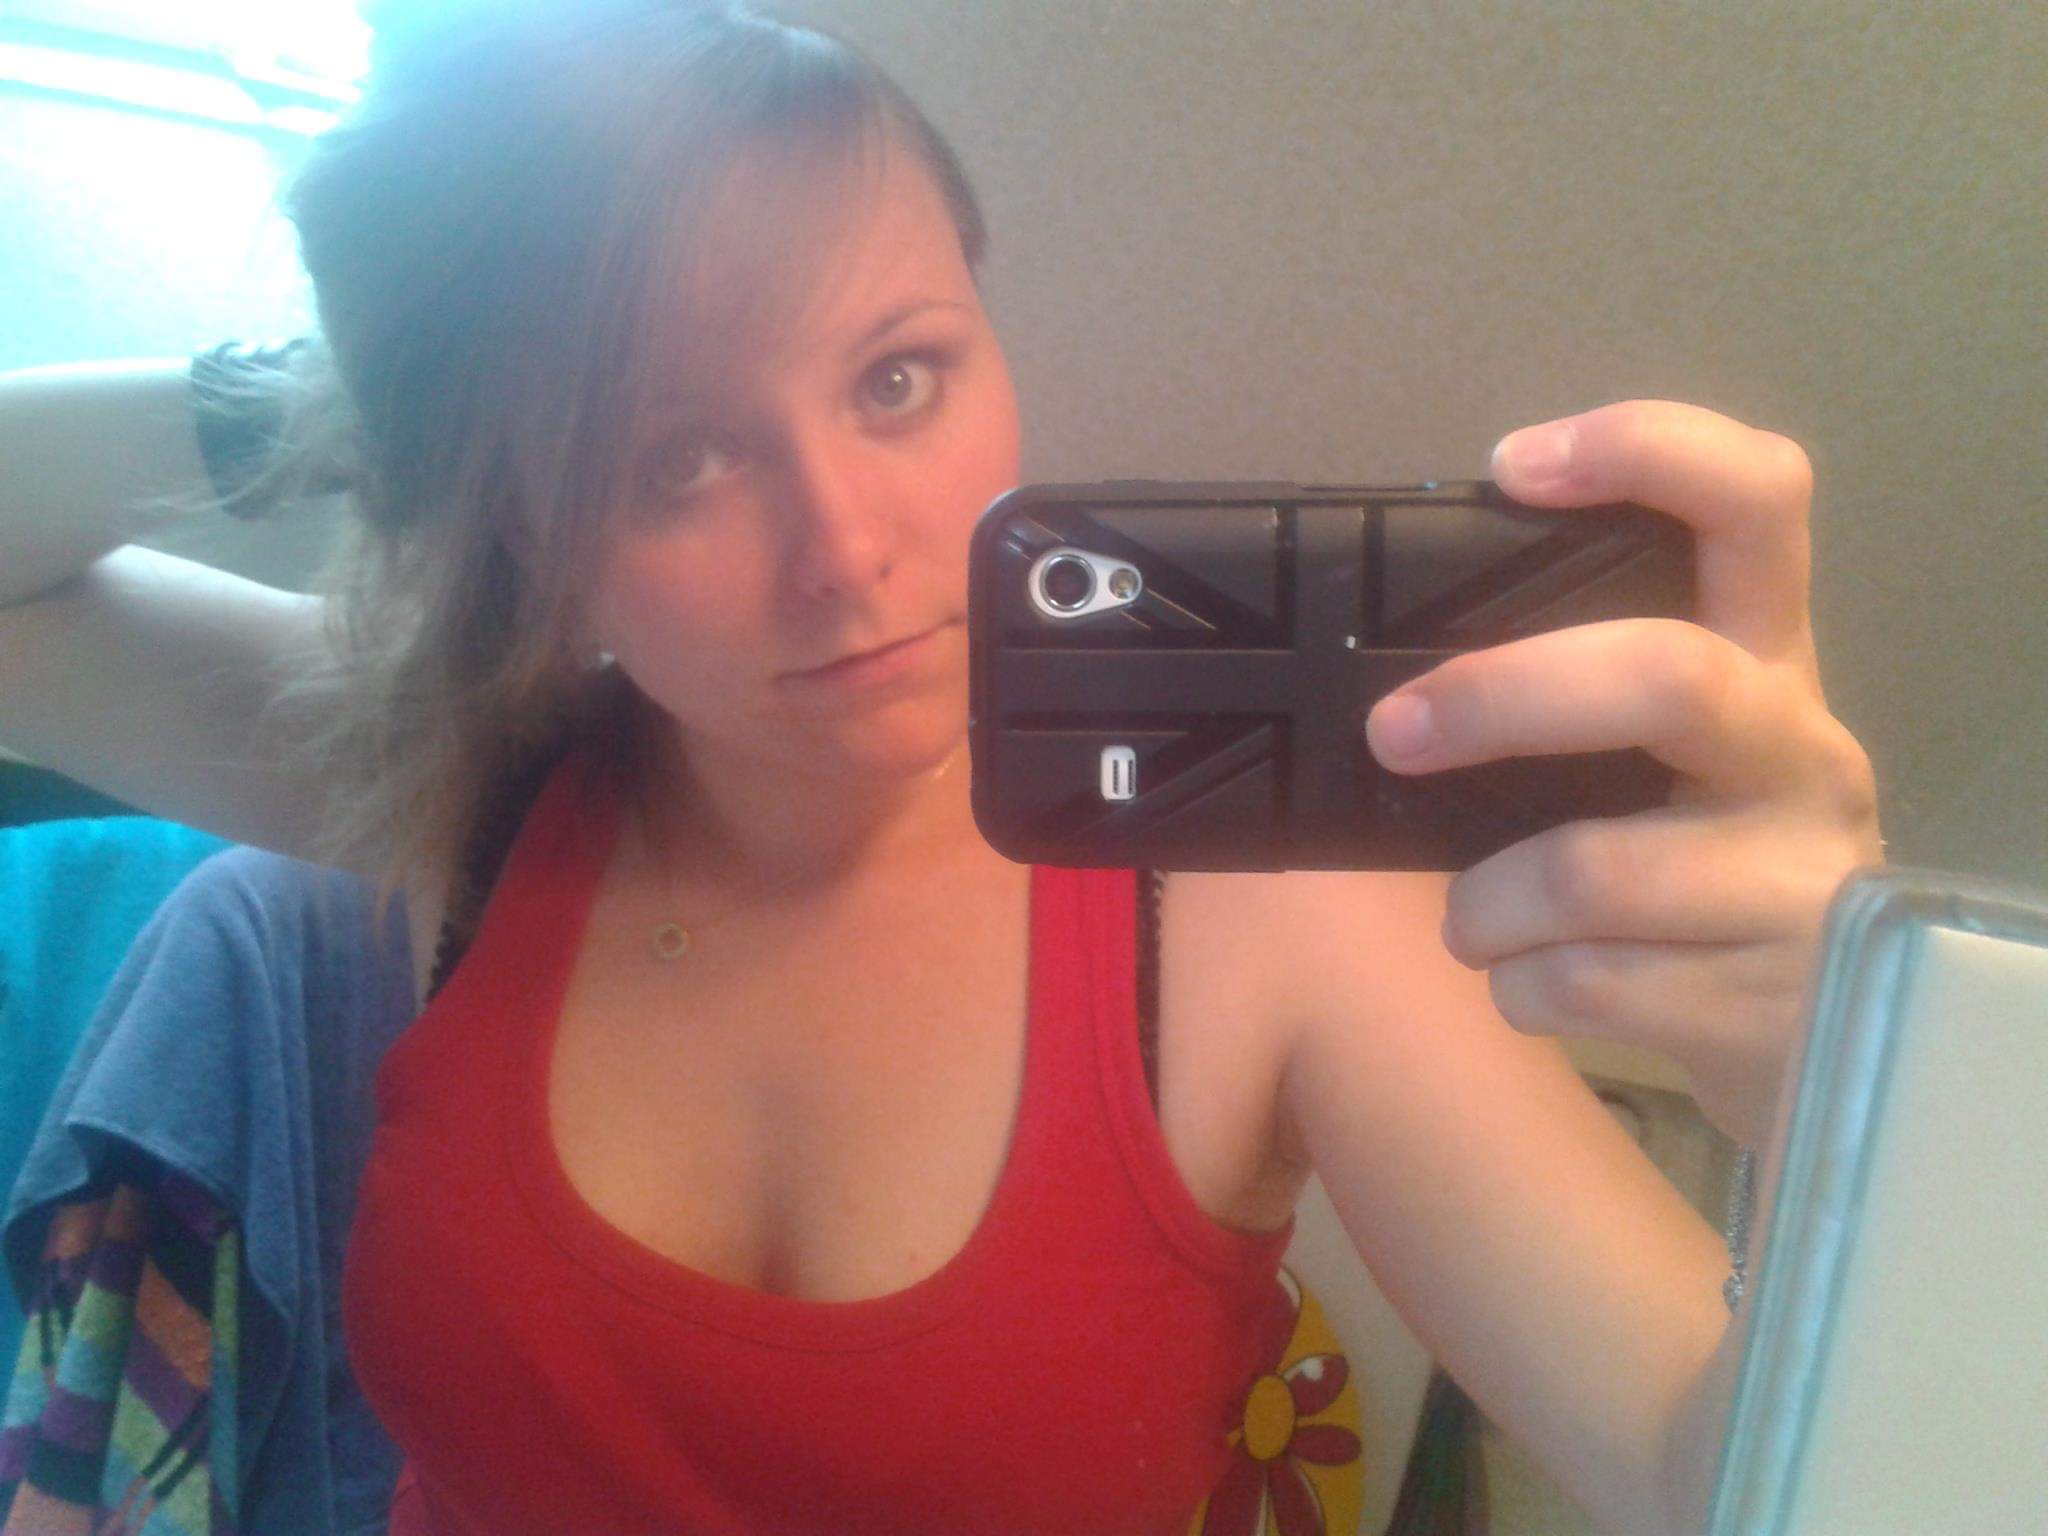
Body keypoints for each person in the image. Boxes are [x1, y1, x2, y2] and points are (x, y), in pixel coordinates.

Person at [0, 2, 1885, 1532]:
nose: (849, 549)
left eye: (897, 377)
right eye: (672, 458)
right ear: (527, 526)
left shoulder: (1259, 912)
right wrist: (353, 394)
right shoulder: (466, 784)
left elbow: (1725, 1469)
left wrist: (1851, 1090)